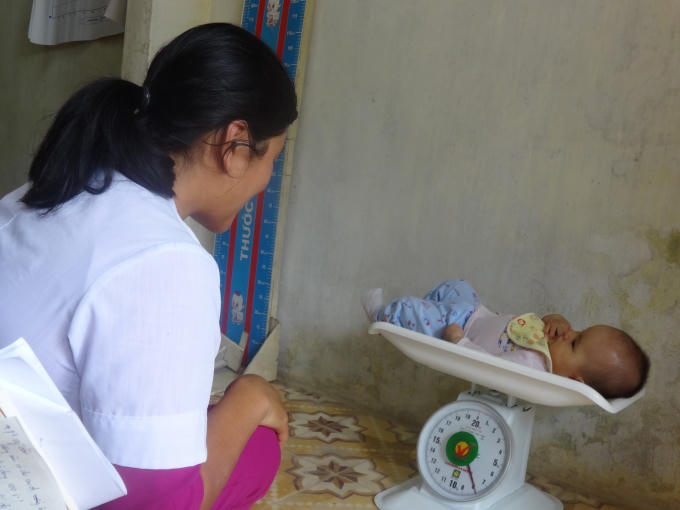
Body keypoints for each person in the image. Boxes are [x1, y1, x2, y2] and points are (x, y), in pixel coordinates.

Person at [0, 23, 298, 509]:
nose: (267, 179)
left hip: (14, 453)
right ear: (236, 144)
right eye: (273, 159)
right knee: (257, 447)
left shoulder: (60, 188)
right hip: (25, 489)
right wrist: (248, 400)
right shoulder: (166, 263)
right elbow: (158, 503)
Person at [362, 279, 649, 399]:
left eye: (575, 342)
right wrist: (554, 318)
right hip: (474, 311)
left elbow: (490, 366)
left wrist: (460, 342)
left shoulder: (532, 364)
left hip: (458, 329)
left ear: (576, 380)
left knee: (410, 308)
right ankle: (425, 314)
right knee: (456, 285)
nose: (570, 333)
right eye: (579, 330)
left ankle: (382, 314)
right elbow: (534, 324)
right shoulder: (553, 342)